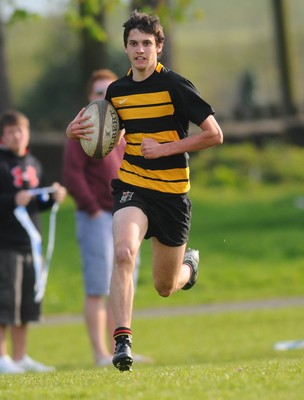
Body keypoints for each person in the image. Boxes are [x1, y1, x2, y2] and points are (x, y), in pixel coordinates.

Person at [66, 10, 223, 372]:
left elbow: (215, 134)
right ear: (125, 48)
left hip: (172, 193)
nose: (140, 50)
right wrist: (76, 132)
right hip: (133, 185)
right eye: (134, 44)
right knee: (123, 253)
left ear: (159, 47)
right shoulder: (116, 92)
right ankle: (122, 342)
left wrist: (166, 148)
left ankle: (189, 268)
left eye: (147, 44)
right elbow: (112, 134)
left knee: (165, 286)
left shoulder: (176, 86)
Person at [63, 69, 150, 367]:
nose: (103, 97)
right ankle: (100, 353)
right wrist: (92, 206)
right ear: (90, 96)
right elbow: (72, 175)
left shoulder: (121, 129)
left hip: (124, 213)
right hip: (97, 217)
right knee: (98, 286)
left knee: (122, 282)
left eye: (108, 91)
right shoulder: (83, 127)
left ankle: (120, 347)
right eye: (98, 91)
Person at [0, 110, 66, 374]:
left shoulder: (34, 163)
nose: (17, 135)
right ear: (3, 136)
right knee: (5, 302)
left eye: (21, 130)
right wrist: (11, 201)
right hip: (6, 244)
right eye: (11, 131)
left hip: (30, 245)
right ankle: (2, 357)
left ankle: (20, 356)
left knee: (27, 302)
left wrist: (53, 197)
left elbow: (38, 201)